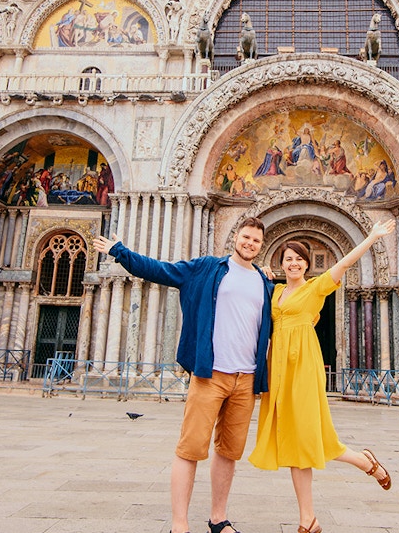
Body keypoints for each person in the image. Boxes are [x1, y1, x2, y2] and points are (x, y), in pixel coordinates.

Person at [96, 218, 273, 533]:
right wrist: (119, 252)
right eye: (246, 237)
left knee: (229, 452)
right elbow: (161, 270)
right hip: (210, 375)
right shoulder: (206, 268)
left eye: (256, 240)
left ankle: (218, 519)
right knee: (190, 448)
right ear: (235, 237)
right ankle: (179, 524)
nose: (250, 243)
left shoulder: (264, 283)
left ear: (262, 246)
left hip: (246, 379)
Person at [249, 220, 396, 533]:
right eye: (288, 258)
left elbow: (344, 262)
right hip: (279, 367)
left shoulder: (316, 288)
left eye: (299, 259)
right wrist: (259, 271)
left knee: (304, 433)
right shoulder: (274, 292)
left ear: (306, 264)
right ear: (281, 261)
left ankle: (362, 464)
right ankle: (311, 517)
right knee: (293, 440)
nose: (294, 263)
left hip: (304, 365)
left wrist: (371, 237)